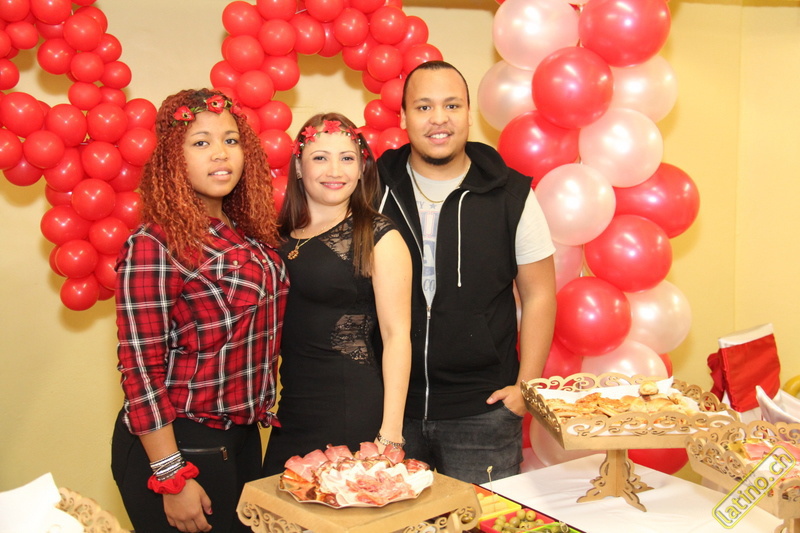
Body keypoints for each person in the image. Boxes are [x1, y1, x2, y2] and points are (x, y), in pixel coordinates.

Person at [111, 88, 289, 533]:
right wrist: (171, 476)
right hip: (181, 444)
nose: (220, 154)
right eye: (201, 142)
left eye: (230, 140)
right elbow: (140, 370)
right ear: (174, 157)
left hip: (243, 436)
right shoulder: (155, 243)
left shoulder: (246, 232)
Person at [376, 61, 557, 484]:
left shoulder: (511, 194)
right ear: (403, 117)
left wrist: (525, 388)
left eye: (452, 105)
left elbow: (540, 294)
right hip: (388, 411)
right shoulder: (372, 188)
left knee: (482, 518)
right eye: (423, 107)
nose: (438, 118)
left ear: (469, 114)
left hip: (483, 414)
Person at [262, 112, 412, 475]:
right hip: (292, 409)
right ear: (299, 167)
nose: (335, 170)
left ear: (361, 168)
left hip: (350, 411)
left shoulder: (379, 235)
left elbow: (396, 336)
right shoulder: (276, 236)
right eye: (320, 157)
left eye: (347, 158)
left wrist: (390, 435)